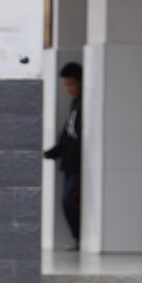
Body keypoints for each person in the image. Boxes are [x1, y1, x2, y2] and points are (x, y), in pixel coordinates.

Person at [43, 63, 83, 249]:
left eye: (71, 85)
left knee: (71, 200)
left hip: (77, 165)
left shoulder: (83, 104)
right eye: (65, 86)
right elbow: (66, 135)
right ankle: (77, 237)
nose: (69, 89)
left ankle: (80, 237)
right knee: (67, 202)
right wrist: (52, 153)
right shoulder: (74, 104)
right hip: (69, 164)